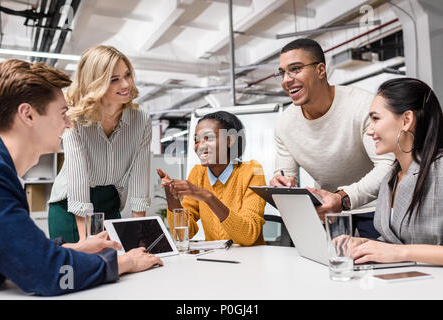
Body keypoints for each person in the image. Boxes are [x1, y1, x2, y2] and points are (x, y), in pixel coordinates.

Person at [0, 59, 162, 296]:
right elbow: (48, 274)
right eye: (63, 114)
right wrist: (126, 263)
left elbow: (10, 248)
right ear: (28, 115)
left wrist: (76, 248)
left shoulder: (1, 169)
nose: (69, 123)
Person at [269, 38, 395, 238]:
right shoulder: (285, 123)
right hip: (330, 210)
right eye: (282, 72)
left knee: (377, 267)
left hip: (375, 207)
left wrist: (343, 197)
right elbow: (285, 174)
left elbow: (387, 166)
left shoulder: (362, 105)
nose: (286, 79)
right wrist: (281, 182)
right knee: (329, 266)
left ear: (320, 70)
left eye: (295, 69)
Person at [48, 45, 152, 242]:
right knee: (84, 267)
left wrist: (141, 237)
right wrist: (88, 244)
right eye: (114, 79)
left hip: (111, 203)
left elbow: (140, 181)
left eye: (127, 75)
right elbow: (79, 188)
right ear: (95, 83)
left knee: (122, 266)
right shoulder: (74, 119)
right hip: (70, 209)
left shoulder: (141, 120)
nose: (125, 84)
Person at [351, 78, 443, 265]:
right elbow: (397, 243)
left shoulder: (440, 170)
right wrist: (365, 244)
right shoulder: (390, 179)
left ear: (406, 120)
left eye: (376, 118)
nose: (369, 131)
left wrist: (400, 253)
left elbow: (401, 250)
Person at [157, 111, 266, 246]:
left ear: (229, 140)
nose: (200, 145)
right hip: (216, 259)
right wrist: (171, 196)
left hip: (251, 260)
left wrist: (207, 197)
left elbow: (248, 236)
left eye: (208, 138)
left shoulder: (252, 172)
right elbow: (184, 233)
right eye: (196, 140)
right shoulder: (198, 173)